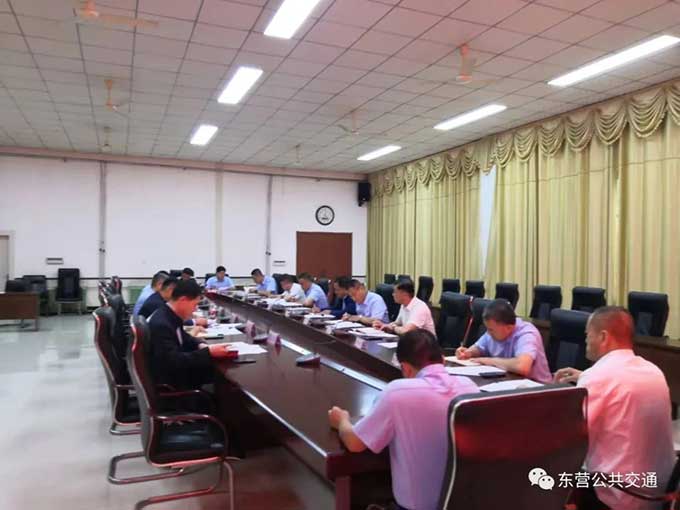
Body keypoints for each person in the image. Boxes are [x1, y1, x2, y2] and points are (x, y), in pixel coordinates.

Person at [328, 329, 479, 510]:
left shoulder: (397, 393)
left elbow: (355, 443)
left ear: (405, 368)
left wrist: (342, 420)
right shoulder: (470, 387)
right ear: (443, 360)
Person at [554, 307, 675, 510]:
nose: (585, 340)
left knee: (545, 476)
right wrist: (584, 377)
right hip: (659, 492)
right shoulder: (652, 370)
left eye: (587, 334)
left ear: (603, 337)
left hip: (619, 495)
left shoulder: (598, 377)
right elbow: (621, 387)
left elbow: (569, 437)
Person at [147, 279, 230, 389]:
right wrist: (208, 352)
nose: (194, 309)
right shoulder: (162, 324)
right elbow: (173, 361)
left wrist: (200, 345)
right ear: (183, 300)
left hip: (174, 372)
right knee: (223, 376)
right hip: (171, 382)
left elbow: (183, 337)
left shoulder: (168, 314)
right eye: (195, 304)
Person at [455, 299, 552, 383]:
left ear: (509, 328)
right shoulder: (494, 330)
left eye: (491, 330)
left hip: (537, 388)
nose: (488, 332)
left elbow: (522, 366)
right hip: (508, 382)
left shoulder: (527, 333)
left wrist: (489, 361)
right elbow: (479, 347)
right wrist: (468, 353)